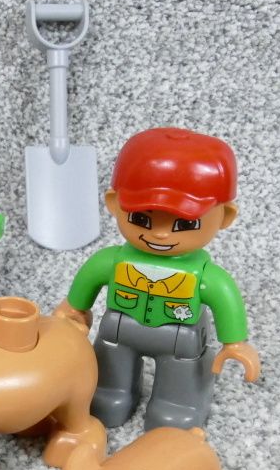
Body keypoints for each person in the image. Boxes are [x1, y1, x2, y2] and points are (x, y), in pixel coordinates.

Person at [55, 127, 260, 430]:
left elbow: (224, 298)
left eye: (185, 224)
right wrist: (74, 309)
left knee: (180, 382)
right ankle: (111, 392)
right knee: (110, 370)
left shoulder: (205, 276)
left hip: (179, 338)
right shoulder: (112, 262)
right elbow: (88, 280)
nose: (161, 234)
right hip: (119, 329)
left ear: (225, 217)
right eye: (142, 219)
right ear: (113, 204)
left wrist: (235, 342)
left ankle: (177, 404)